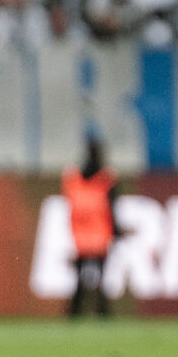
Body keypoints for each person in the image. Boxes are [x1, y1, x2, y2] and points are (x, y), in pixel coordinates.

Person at [62, 136, 117, 317]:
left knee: (79, 280)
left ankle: (75, 313)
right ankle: (102, 313)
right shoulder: (105, 179)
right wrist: (117, 231)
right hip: (100, 235)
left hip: (80, 236)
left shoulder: (74, 178)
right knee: (101, 279)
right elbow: (111, 208)